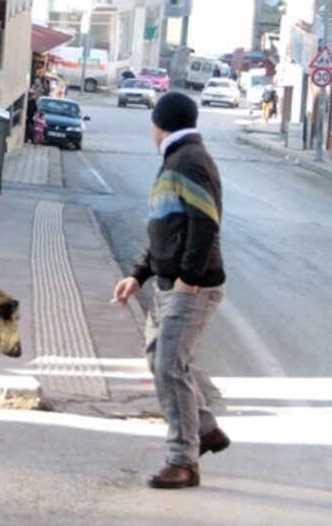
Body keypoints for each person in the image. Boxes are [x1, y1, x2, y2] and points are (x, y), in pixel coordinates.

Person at [112, 92, 230, 490]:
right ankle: (206, 428)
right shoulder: (178, 158)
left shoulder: (190, 161)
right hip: (168, 282)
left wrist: (190, 278)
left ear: (160, 123)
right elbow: (166, 229)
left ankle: (183, 461)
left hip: (189, 286)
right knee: (158, 361)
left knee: (168, 367)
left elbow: (205, 223)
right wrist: (139, 275)